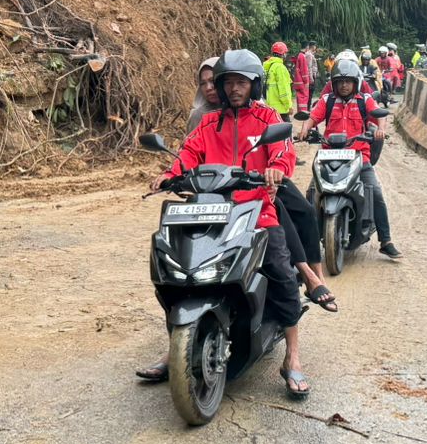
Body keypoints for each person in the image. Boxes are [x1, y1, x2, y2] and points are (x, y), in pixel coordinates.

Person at [148, 50, 312, 398]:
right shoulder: (209, 123)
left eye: (241, 82)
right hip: (208, 209)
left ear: (254, 84)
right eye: (228, 83)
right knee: (175, 270)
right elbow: (188, 154)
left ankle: (293, 357)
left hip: (256, 211)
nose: (234, 89)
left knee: (282, 273)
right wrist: (169, 175)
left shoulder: (267, 117)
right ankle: (175, 345)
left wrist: (277, 170)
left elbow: (284, 150)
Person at [301, 59, 401, 259]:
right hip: (328, 157)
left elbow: (379, 115)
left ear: (355, 82)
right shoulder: (327, 100)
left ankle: (386, 240)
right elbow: (313, 117)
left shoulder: (364, 99)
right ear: (334, 83)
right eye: (340, 82)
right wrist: (305, 129)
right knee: (312, 193)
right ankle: (305, 241)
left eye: (348, 81)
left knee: (376, 193)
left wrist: (380, 130)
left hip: (358, 157)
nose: (344, 85)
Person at [188, 56, 221, 133]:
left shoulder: (239, 111)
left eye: (212, 81)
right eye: (203, 83)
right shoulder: (198, 116)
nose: (208, 88)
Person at [264, 42, 295, 119]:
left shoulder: (269, 67)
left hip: (271, 108)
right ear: (283, 53)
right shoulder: (280, 68)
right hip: (281, 109)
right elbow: (284, 90)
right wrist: (289, 106)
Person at [293, 42, 317, 114]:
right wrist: (307, 81)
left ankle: (300, 112)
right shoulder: (303, 56)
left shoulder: (299, 55)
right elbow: (304, 70)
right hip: (302, 82)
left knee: (300, 98)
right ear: (307, 47)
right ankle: (303, 113)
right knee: (304, 98)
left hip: (298, 81)